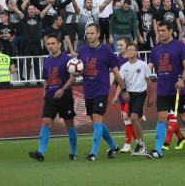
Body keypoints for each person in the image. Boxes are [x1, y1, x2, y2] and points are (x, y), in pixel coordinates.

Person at [147, 21, 185, 158]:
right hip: (162, 90)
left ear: (171, 31)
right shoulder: (155, 50)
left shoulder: (180, 46)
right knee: (161, 118)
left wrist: (182, 79)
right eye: (159, 31)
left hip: (178, 90)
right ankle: (157, 151)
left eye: (163, 30)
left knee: (184, 117)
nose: (160, 33)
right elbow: (148, 69)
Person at [77, 24, 125, 161]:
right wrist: (77, 72)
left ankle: (93, 153)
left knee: (97, 118)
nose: (90, 36)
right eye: (88, 33)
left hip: (101, 89)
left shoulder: (106, 51)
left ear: (98, 34)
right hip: (88, 90)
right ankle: (113, 146)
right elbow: (80, 70)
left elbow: (116, 72)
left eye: (92, 33)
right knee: (95, 120)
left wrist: (123, 89)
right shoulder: (82, 51)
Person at [29, 34, 79, 162]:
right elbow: (46, 79)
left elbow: (73, 77)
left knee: (69, 124)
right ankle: (41, 153)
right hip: (50, 97)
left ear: (59, 44)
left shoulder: (67, 59)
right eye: (48, 44)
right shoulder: (47, 60)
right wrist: (45, 94)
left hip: (65, 96)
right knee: (46, 122)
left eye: (53, 43)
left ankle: (73, 153)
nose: (50, 46)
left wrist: (63, 89)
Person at [115, 42, 151, 156]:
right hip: (130, 95)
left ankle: (141, 145)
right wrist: (120, 93)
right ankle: (140, 144)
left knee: (133, 118)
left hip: (140, 94)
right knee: (136, 120)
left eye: (132, 50)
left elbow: (149, 81)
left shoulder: (142, 65)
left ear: (136, 52)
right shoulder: (124, 67)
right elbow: (121, 81)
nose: (130, 52)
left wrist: (150, 97)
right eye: (128, 50)